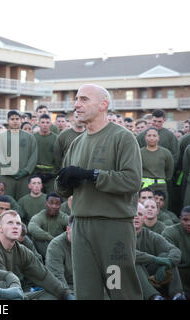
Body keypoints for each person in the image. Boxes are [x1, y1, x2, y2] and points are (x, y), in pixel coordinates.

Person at [55, 83, 143, 300]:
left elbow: (132, 180)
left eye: (84, 99)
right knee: (86, 292)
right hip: (81, 226)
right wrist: (64, 181)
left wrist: (92, 175)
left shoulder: (122, 138)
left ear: (104, 104)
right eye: (76, 99)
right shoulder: (75, 144)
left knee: (120, 289)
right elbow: (63, 189)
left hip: (112, 227)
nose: (77, 105)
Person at [0, 210, 74, 300]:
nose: (15, 226)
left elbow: (43, 276)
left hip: (14, 292)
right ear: (0, 228)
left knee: (54, 295)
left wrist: (66, 294)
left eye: (18, 223)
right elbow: (3, 287)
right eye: (10, 223)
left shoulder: (21, 250)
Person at [134, 203, 185, 300]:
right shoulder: (123, 235)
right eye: (133, 215)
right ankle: (154, 297)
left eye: (140, 214)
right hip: (130, 276)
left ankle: (177, 295)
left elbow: (175, 250)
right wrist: (155, 259)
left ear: (144, 218)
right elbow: (130, 253)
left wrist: (167, 264)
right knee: (136, 263)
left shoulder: (151, 235)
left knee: (167, 256)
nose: (136, 217)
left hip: (151, 274)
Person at [0, 111, 38, 201]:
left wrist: (26, 170)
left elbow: (33, 156)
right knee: (5, 201)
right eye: (12, 119)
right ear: (7, 121)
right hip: (6, 177)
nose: (15, 121)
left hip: (24, 177)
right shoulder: (0, 137)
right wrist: (10, 171)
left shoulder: (30, 137)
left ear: (21, 120)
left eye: (17, 119)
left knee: (23, 201)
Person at [140, 127, 174, 206]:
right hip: (145, 187)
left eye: (154, 136)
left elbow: (169, 170)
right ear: (145, 137)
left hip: (160, 186)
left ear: (158, 137)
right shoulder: (139, 153)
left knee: (161, 209)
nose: (151, 138)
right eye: (149, 135)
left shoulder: (166, 153)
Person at [28, 192, 69, 257]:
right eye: (51, 203)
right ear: (46, 203)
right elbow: (32, 227)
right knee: (36, 237)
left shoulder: (63, 217)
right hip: (42, 252)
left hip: (59, 251)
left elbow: (73, 226)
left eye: (57, 204)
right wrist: (50, 238)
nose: (54, 206)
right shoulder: (40, 216)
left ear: (60, 205)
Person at [162, 206, 190, 296]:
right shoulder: (170, 232)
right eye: (185, 220)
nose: (189, 223)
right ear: (180, 219)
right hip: (178, 272)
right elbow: (168, 256)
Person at [45, 216, 74, 292]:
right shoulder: (55, 246)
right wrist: (69, 295)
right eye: (77, 231)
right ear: (68, 229)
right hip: (66, 287)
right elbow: (57, 278)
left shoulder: (89, 243)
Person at [33, 114, 58, 194]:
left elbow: (58, 158)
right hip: (36, 174)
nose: (45, 125)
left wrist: (54, 172)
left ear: (50, 124)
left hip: (51, 175)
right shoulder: (33, 138)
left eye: (47, 122)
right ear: (38, 123)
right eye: (43, 122)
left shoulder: (56, 138)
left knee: (51, 197)